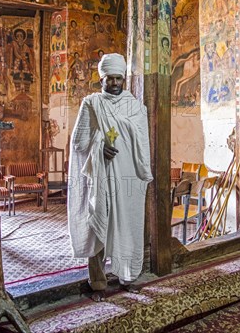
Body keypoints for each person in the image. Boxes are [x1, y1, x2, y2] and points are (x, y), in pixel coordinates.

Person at [68, 53, 153, 302]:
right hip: (101, 177)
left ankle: (127, 277)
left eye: (119, 78)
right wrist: (99, 146)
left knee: (127, 226)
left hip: (128, 178)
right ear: (101, 78)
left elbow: (143, 144)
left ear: (123, 79)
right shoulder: (91, 104)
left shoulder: (135, 107)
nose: (115, 83)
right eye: (110, 79)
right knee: (99, 228)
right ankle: (98, 283)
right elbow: (78, 143)